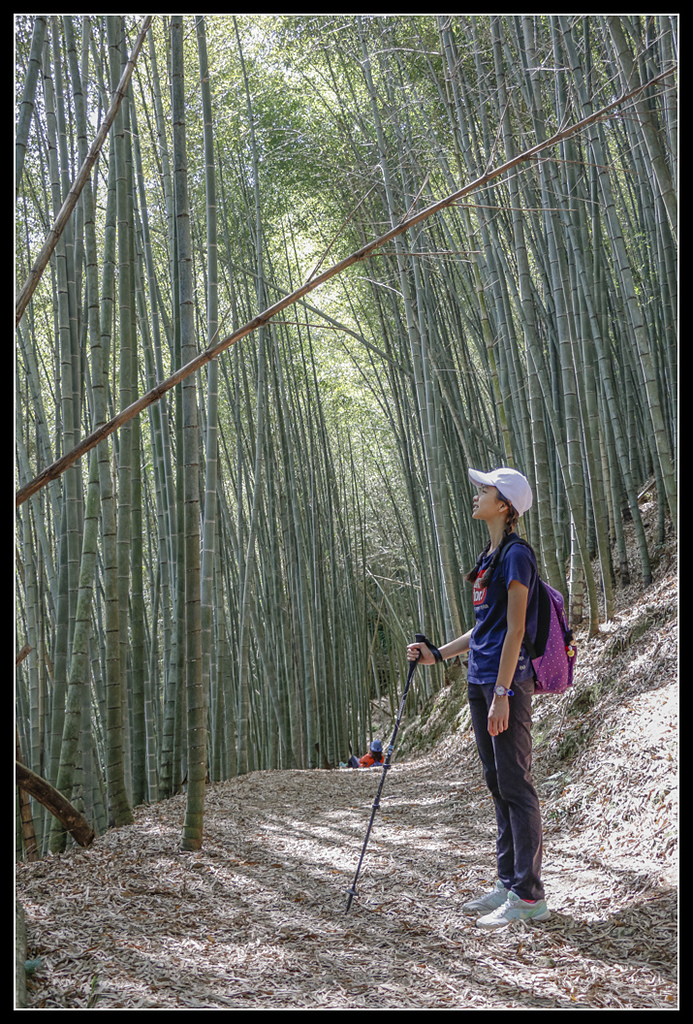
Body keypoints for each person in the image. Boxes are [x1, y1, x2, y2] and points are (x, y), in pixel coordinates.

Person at [407, 467, 550, 930]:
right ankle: (509, 883)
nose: (476, 494)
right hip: (479, 679)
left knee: (515, 783)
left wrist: (504, 693)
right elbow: (485, 628)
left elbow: (514, 629)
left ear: (505, 504)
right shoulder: (489, 556)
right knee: (497, 783)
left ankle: (529, 896)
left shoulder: (517, 557)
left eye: (484, 489)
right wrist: (439, 655)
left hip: (505, 682)